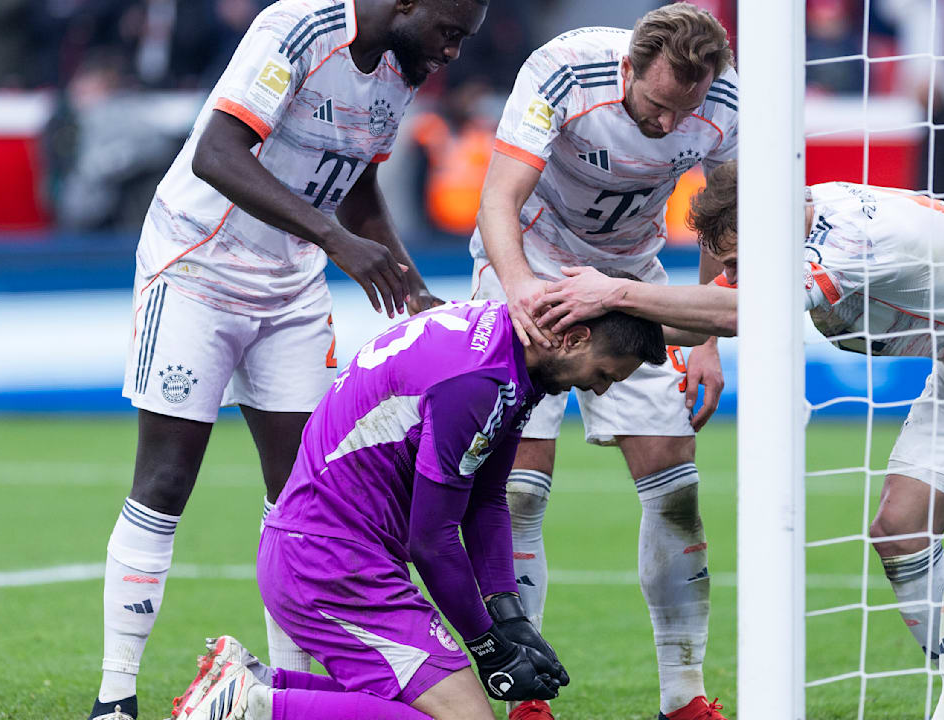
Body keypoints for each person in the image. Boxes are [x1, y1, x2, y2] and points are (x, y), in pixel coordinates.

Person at [534, 159, 944, 720]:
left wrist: (617, 293)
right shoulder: (791, 223)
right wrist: (592, 311)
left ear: (769, 226)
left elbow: (739, 314)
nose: (733, 274)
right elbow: (713, 314)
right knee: (899, 532)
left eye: (736, 262)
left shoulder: (853, 237)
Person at [90, 2, 488, 719]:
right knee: (166, 478)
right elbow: (216, 153)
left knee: (305, 500)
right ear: (406, 3)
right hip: (196, 268)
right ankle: (115, 695)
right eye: (450, 31)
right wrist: (336, 242)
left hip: (291, 283)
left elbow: (357, 179)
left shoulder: (399, 68)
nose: (453, 52)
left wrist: (411, 284)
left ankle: (282, 693)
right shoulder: (297, 28)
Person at [168, 298, 667, 720]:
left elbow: (487, 499)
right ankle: (256, 708)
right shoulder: (479, 379)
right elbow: (431, 540)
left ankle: (255, 682)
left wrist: (509, 617)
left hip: (333, 554)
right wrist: (487, 645)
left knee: (436, 705)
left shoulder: (511, 353)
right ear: (574, 338)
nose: (600, 388)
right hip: (330, 566)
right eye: (603, 374)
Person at [471, 5, 737, 719]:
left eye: (683, 110)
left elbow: (721, 213)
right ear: (626, 70)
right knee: (517, 494)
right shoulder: (563, 69)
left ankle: (685, 699)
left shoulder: (725, 102)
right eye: (654, 105)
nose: (666, 126)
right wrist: (522, 292)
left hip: (630, 279)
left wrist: (705, 336)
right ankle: (526, 699)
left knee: (676, 491)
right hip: (530, 266)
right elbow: (499, 196)